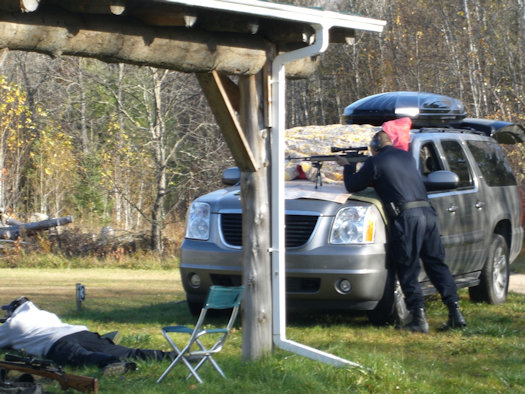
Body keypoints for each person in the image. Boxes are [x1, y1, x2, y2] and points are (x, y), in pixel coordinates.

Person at [335, 121, 466, 333]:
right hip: (428, 214)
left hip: (407, 217)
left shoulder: (375, 162)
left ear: (374, 146)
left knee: (407, 266)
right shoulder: (406, 158)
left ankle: (418, 319)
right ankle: (455, 312)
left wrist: (348, 165)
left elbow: (352, 185)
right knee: (436, 264)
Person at [0, 297, 176, 374]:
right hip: (81, 332)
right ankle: (172, 356)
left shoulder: (13, 324)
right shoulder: (45, 314)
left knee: (83, 357)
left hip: (56, 343)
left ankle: (112, 364)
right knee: (126, 350)